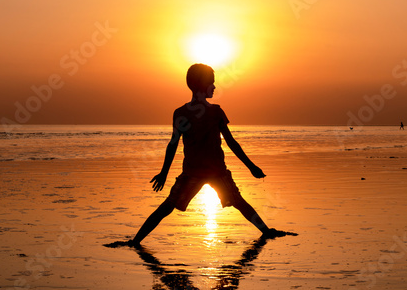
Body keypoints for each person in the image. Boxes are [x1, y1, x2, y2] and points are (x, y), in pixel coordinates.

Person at [112, 64, 289, 247]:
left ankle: (135, 242)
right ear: (202, 85)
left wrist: (251, 166)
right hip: (199, 173)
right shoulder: (195, 113)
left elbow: (227, 142)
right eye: (212, 83)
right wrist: (163, 172)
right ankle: (135, 241)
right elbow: (176, 144)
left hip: (211, 172)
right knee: (172, 206)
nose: (214, 87)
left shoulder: (203, 112)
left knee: (233, 202)